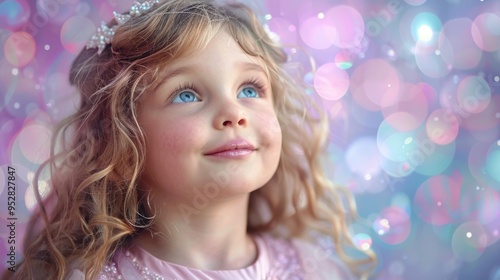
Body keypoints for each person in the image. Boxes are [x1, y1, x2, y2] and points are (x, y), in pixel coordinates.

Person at [10, 0, 376, 279]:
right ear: (122, 136)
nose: (234, 113)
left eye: (250, 88)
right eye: (187, 94)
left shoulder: (312, 269)